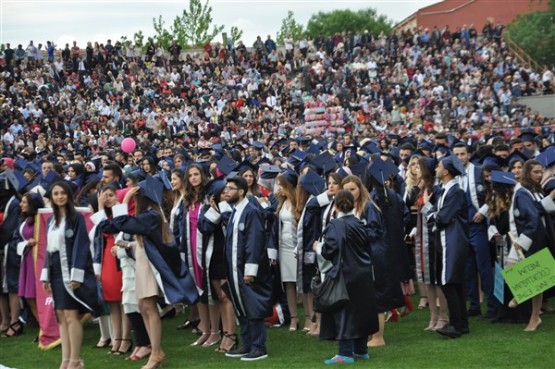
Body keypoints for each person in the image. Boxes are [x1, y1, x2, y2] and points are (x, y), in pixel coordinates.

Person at [94, 176, 199, 369]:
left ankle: (156, 352)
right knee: (143, 307)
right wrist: (103, 208)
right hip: (143, 262)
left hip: (149, 266)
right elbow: (108, 227)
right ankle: (155, 351)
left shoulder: (151, 216)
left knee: (149, 308)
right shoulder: (149, 215)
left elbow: (121, 224)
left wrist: (123, 203)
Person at [40, 181, 101, 369]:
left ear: (68, 195)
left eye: (62, 193)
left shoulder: (76, 218)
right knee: (60, 315)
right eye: (56, 193)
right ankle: (65, 360)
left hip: (70, 271)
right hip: (56, 271)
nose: (59, 197)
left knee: (71, 315)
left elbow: (81, 247)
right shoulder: (51, 221)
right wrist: (45, 276)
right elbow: (48, 250)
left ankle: (75, 360)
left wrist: (76, 275)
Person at [314, 190, 378, 364]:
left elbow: (329, 250)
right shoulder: (359, 223)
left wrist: (318, 247)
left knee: (344, 313)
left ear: (335, 206)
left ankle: (345, 353)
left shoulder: (335, 225)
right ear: (354, 204)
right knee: (361, 311)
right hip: (363, 273)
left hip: (345, 274)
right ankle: (361, 349)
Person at [223, 176, 273, 361]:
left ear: (241, 191)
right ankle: (248, 344)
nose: (226, 191)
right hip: (234, 268)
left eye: (230, 188)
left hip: (246, 269)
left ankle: (259, 346)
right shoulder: (235, 211)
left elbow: (254, 241)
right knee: (240, 306)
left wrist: (250, 270)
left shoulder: (251, 211)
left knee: (252, 306)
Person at [422, 154, 470, 338]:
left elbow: (441, 218)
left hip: (453, 241)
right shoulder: (445, 190)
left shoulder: (455, 192)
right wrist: (433, 213)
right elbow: (438, 215)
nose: (436, 169)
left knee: (450, 282)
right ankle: (461, 324)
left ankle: (456, 325)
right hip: (446, 240)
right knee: (453, 283)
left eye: (439, 167)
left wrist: (429, 209)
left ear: (446, 171)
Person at [509, 160, 555, 331]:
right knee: (512, 268)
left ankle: (534, 316)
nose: (539, 175)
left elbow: (536, 212)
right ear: (528, 173)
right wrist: (522, 242)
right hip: (526, 237)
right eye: (535, 172)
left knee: (537, 280)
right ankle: (520, 296)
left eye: (540, 172)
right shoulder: (522, 192)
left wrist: (550, 198)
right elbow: (533, 215)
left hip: (534, 237)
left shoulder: (533, 189)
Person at [197, 177, 238, 353]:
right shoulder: (208, 209)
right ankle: (225, 333)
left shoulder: (233, 209)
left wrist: (222, 209)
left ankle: (231, 335)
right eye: (222, 192)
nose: (226, 194)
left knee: (226, 296)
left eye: (227, 191)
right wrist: (214, 210)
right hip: (213, 257)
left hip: (226, 257)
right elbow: (203, 228)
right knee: (220, 297)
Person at [409, 157, 449, 330]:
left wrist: (425, 204)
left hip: (433, 237)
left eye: (419, 166)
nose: (415, 168)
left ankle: (443, 316)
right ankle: (433, 316)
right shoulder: (420, 189)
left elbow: (436, 213)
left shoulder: (437, 190)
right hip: (421, 236)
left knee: (436, 278)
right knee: (427, 279)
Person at [91, 185, 132, 355]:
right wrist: (100, 207)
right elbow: (99, 231)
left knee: (124, 301)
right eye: (104, 196)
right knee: (113, 302)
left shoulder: (122, 214)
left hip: (119, 259)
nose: (107, 198)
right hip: (106, 260)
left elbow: (120, 228)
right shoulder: (104, 216)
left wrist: (124, 201)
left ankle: (125, 339)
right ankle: (116, 338)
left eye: (110, 195)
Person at [7, 193, 44, 338]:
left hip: (39, 262)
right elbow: (15, 241)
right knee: (29, 296)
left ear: (32, 204)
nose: (21, 205)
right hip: (27, 261)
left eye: (24, 202)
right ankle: (43, 328)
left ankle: (48, 328)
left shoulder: (41, 220)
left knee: (40, 295)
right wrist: (25, 243)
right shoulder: (24, 221)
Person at [269, 170, 298, 331]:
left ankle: (311, 317)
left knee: (303, 284)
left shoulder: (298, 202)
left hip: (296, 245)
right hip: (283, 247)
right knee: (288, 284)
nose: (278, 188)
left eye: (281, 185)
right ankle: (293, 318)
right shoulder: (280, 203)